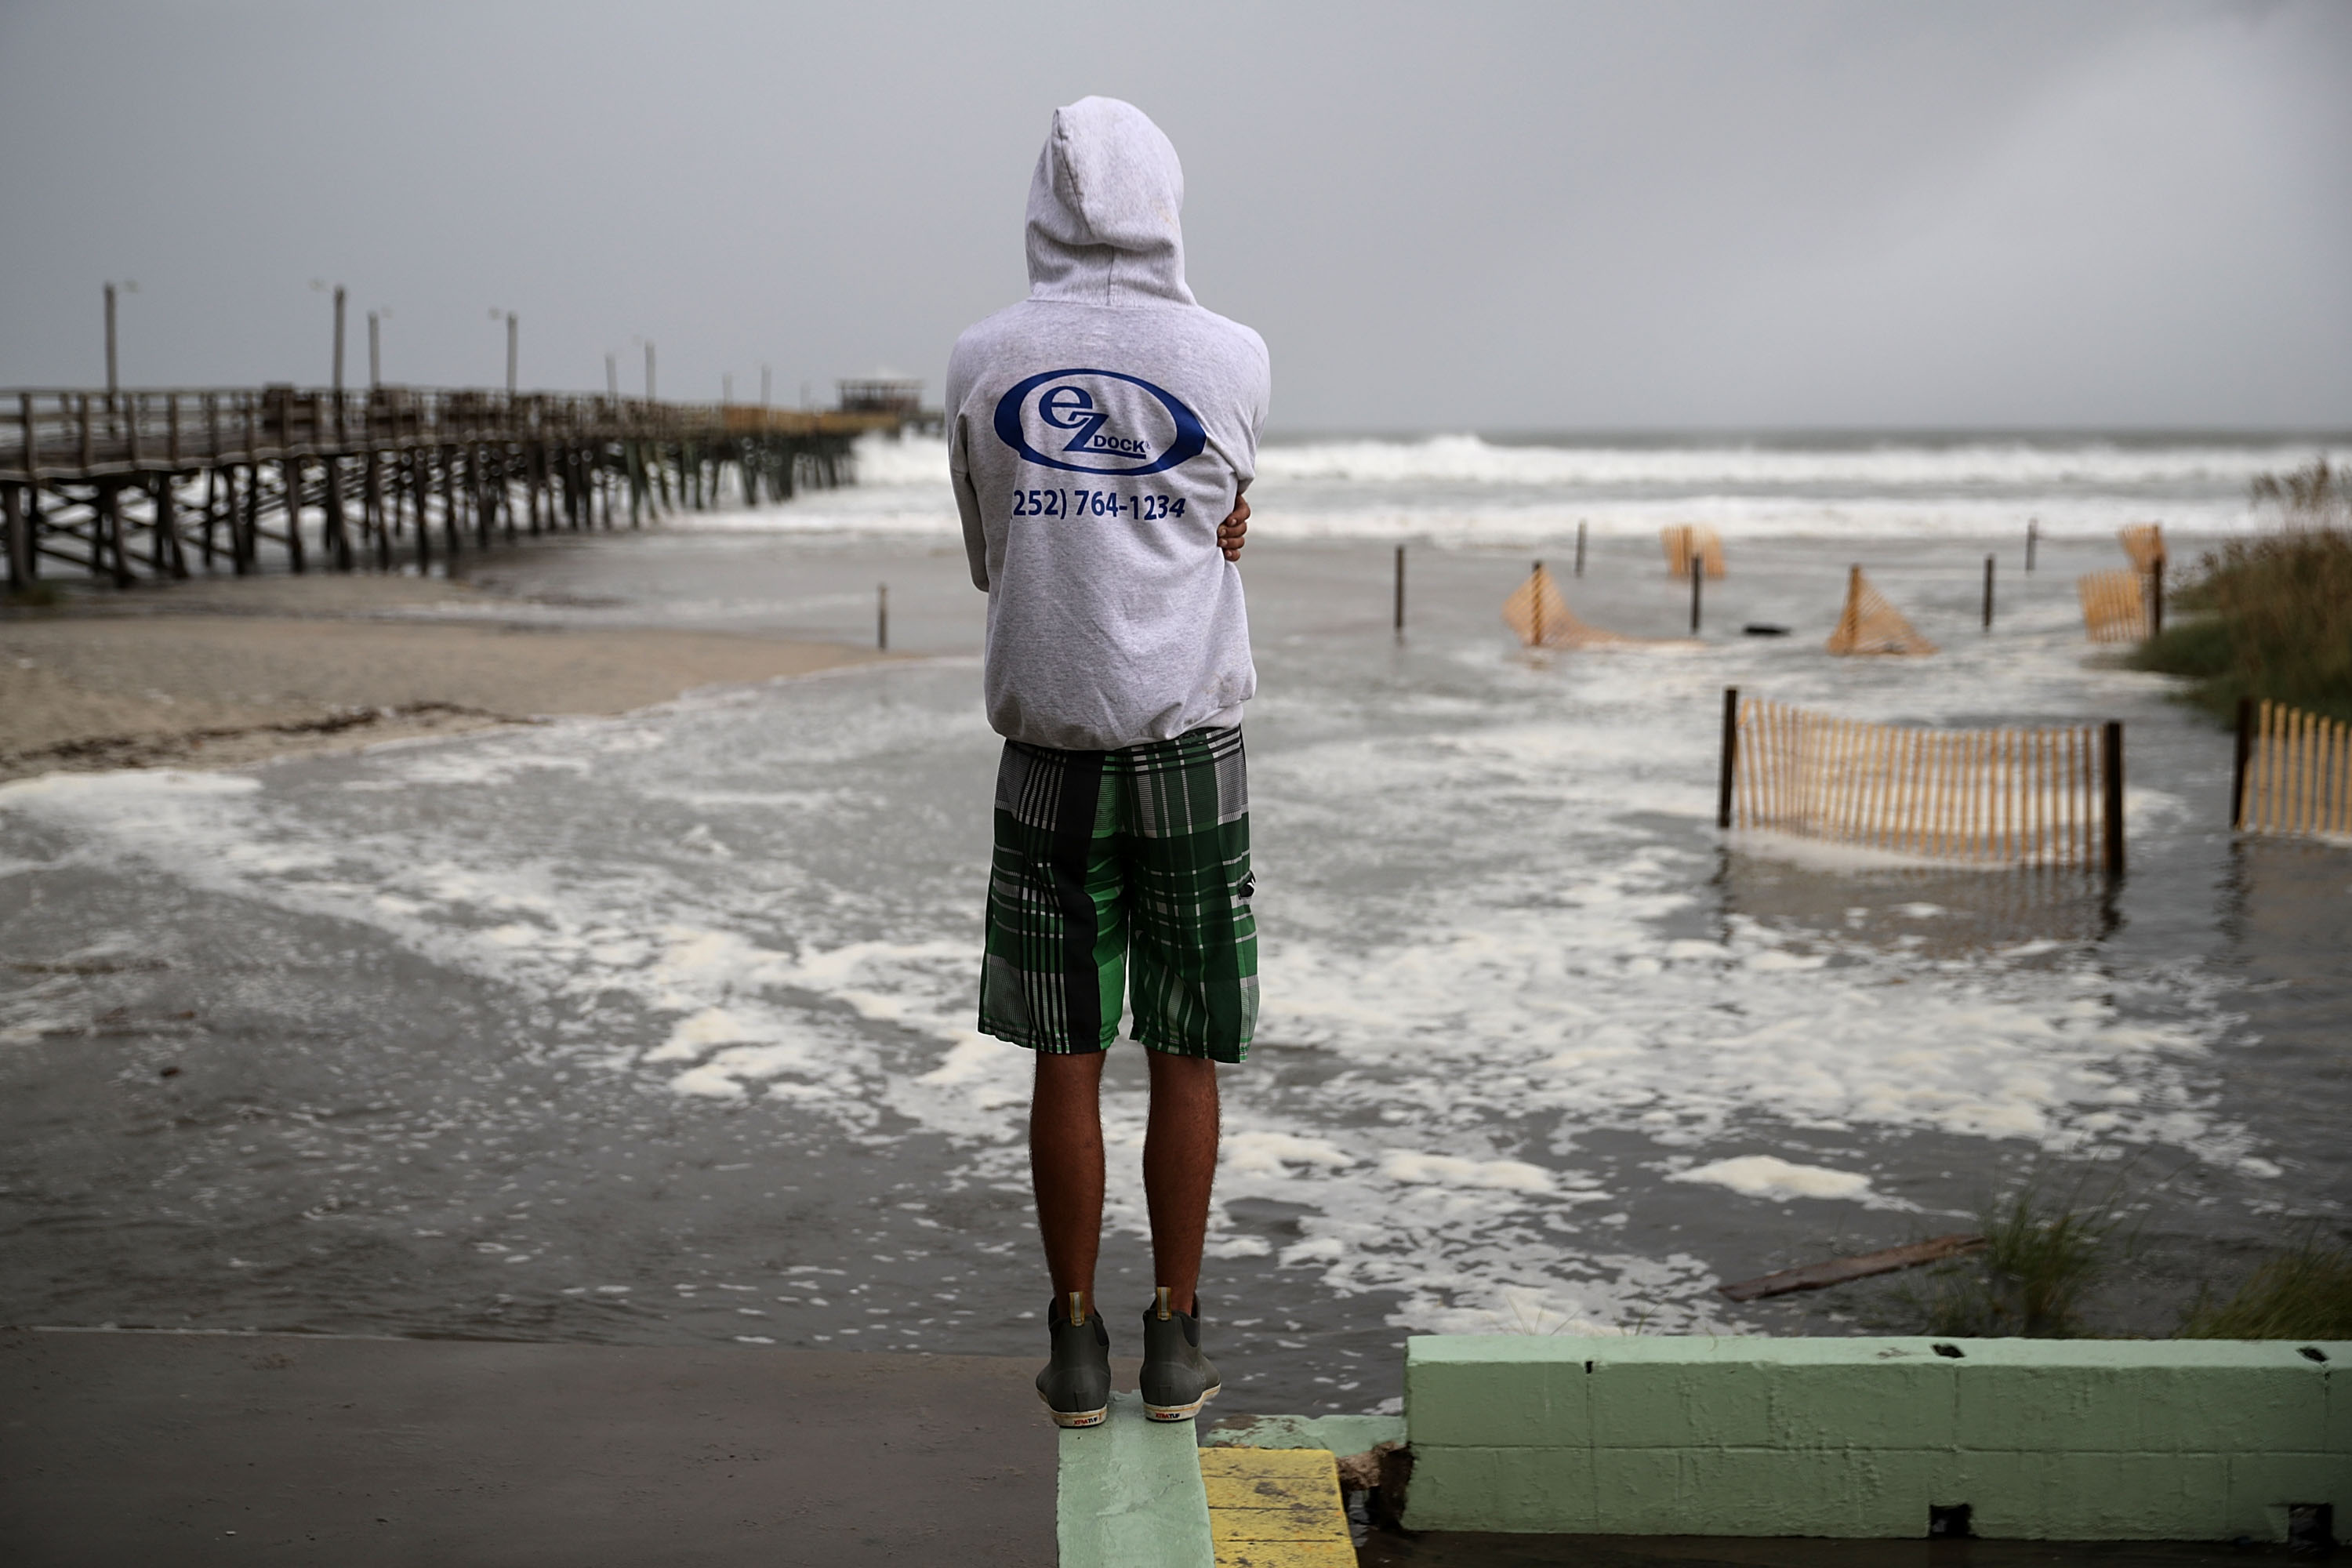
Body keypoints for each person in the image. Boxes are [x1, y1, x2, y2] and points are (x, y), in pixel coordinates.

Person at [946, 96, 1269, 1428]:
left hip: (1048, 749)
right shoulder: (1235, 355)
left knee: (1065, 1054)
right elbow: (1226, 519)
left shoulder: (982, 355)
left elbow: (989, 559)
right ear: (1167, 200)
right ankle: (1177, 1340)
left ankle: (1075, 1343)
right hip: (1192, 743)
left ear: (1043, 205)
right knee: (1185, 1051)